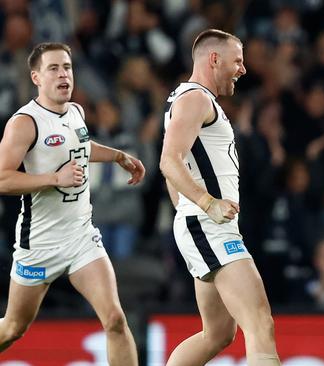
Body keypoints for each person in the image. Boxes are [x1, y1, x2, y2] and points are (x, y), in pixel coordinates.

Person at [0, 43, 144, 365]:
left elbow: (80, 145)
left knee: (115, 319)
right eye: (54, 68)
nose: (63, 73)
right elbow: (2, 179)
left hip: (81, 237)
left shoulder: (77, 111)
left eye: (67, 66)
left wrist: (118, 156)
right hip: (39, 243)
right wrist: (54, 178)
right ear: (36, 77)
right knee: (12, 329)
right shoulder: (24, 122)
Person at [159, 29, 281, 366]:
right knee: (260, 324)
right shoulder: (195, 98)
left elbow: (175, 166)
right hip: (209, 226)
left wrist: (188, 210)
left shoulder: (187, 100)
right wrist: (206, 204)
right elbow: (168, 161)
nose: (243, 69)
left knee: (217, 334)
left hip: (202, 225)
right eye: (237, 61)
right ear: (214, 59)